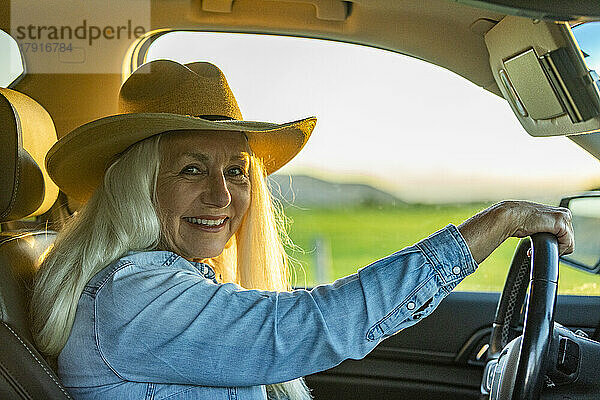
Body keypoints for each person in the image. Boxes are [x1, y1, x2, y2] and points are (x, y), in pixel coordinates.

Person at [30, 59, 574, 400]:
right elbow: (316, 323)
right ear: (137, 186)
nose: (222, 196)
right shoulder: (133, 298)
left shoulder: (169, 282)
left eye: (237, 171)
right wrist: (500, 223)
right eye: (191, 168)